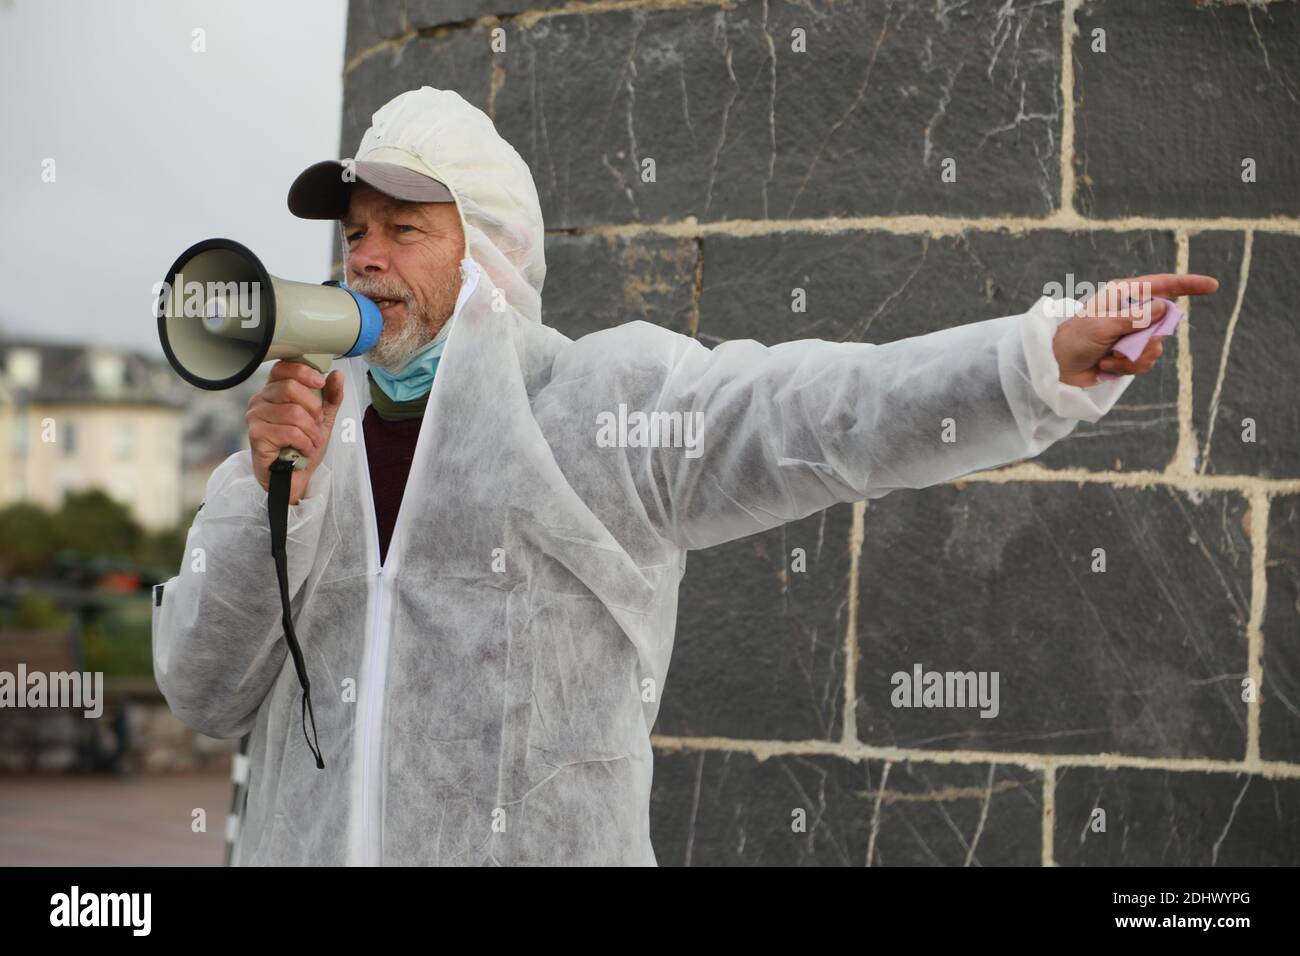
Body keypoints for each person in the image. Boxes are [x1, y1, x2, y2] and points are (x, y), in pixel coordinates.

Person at [151, 86, 1219, 865]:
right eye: (355, 233)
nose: (365, 258)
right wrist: (269, 500)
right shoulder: (292, 449)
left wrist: (1030, 360)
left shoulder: (596, 405)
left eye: (404, 229)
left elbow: (811, 408)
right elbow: (203, 686)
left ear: (493, 253)